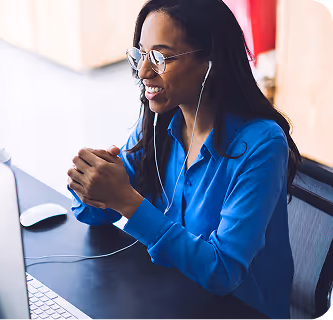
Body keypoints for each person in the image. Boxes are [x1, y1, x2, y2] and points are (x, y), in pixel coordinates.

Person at [67, 0, 301, 319]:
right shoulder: (158, 122)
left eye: (160, 57)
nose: (143, 71)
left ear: (210, 62)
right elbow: (96, 215)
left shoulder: (261, 145)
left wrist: (125, 200)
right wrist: (91, 184)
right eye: (141, 54)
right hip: (169, 299)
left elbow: (223, 272)